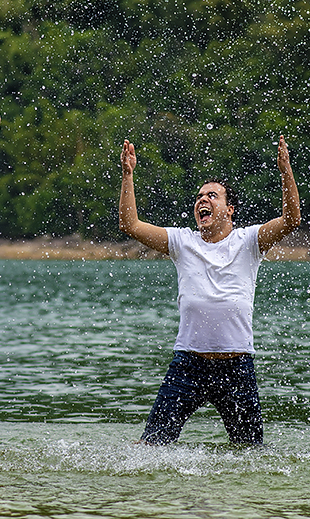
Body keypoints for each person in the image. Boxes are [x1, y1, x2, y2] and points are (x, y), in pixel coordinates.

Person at [118, 135, 300, 445]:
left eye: (212, 196)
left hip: (237, 365)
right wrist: (128, 174)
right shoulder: (181, 242)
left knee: (251, 453)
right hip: (188, 364)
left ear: (230, 210)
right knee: (150, 446)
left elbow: (292, 219)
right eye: (199, 196)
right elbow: (130, 225)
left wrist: (285, 172)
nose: (202, 200)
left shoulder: (249, 242)